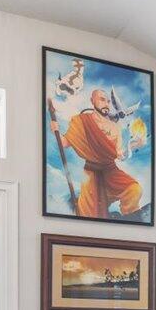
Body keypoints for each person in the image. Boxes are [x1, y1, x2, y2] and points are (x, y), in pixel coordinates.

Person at [60, 88, 146, 218]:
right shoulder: (81, 121)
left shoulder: (115, 127)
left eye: (108, 101)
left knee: (135, 190)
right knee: (88, 214)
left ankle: (129, 219)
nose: (106, 104)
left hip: (111, 171)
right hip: (91, 172)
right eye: (102, 100)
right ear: (92, 101)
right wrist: (55, 129)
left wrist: (133, 145)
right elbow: (65, 143)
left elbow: (119, 154)